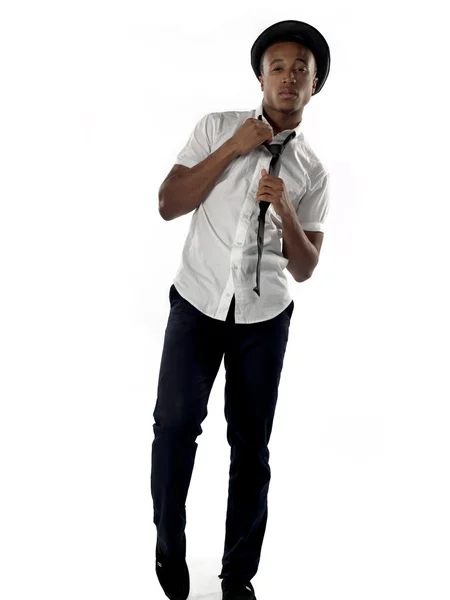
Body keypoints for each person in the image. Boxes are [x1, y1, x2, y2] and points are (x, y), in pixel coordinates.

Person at [151, 19, 331, 600]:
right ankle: (169, 545)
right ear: (260, 76)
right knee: (175, 428)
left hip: (263, 320)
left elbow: (305, 268)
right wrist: (235, 148)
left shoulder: (313, 173)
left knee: (250, 447)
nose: (289, 77)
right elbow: (168, 204)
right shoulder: (215, 128)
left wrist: (283, 213)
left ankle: (237, 577)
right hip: (198, 302)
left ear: (315, 85)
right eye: (278, 66)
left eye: (301, 69)